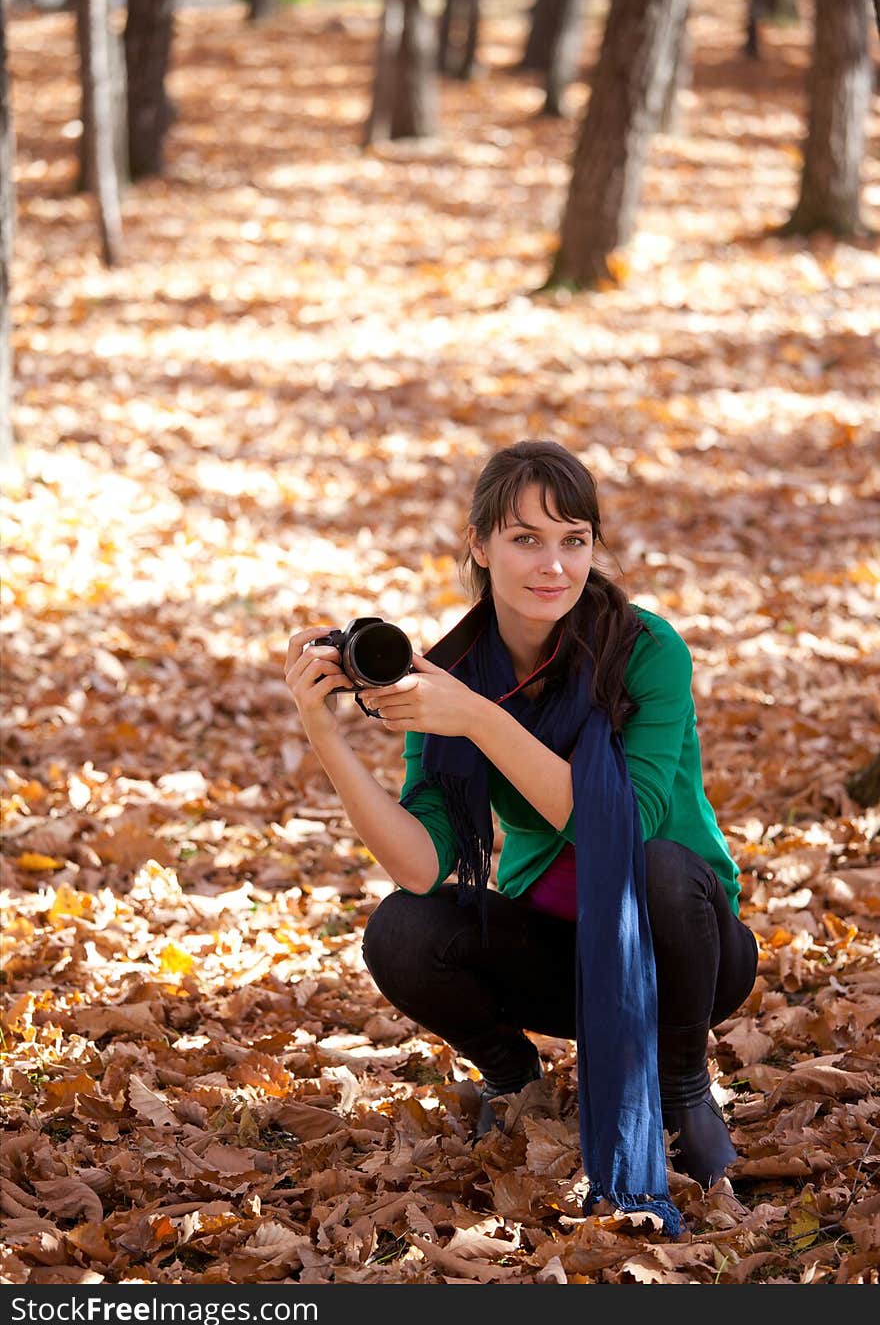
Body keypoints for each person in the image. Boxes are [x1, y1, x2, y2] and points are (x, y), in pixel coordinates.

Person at [284, 440, 758, 1235]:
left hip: (690, 954)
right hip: (563, 956)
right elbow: (420, 864)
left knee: (660, 866)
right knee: (401, 928)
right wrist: (322, 731)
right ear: (479, 546)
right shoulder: (452, 673)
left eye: (574, 540)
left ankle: (682, 1089)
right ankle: (512, 1075)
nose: (555, 565)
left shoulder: (644, 651)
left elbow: (625, 822)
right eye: (525, 539)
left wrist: (482, 721)